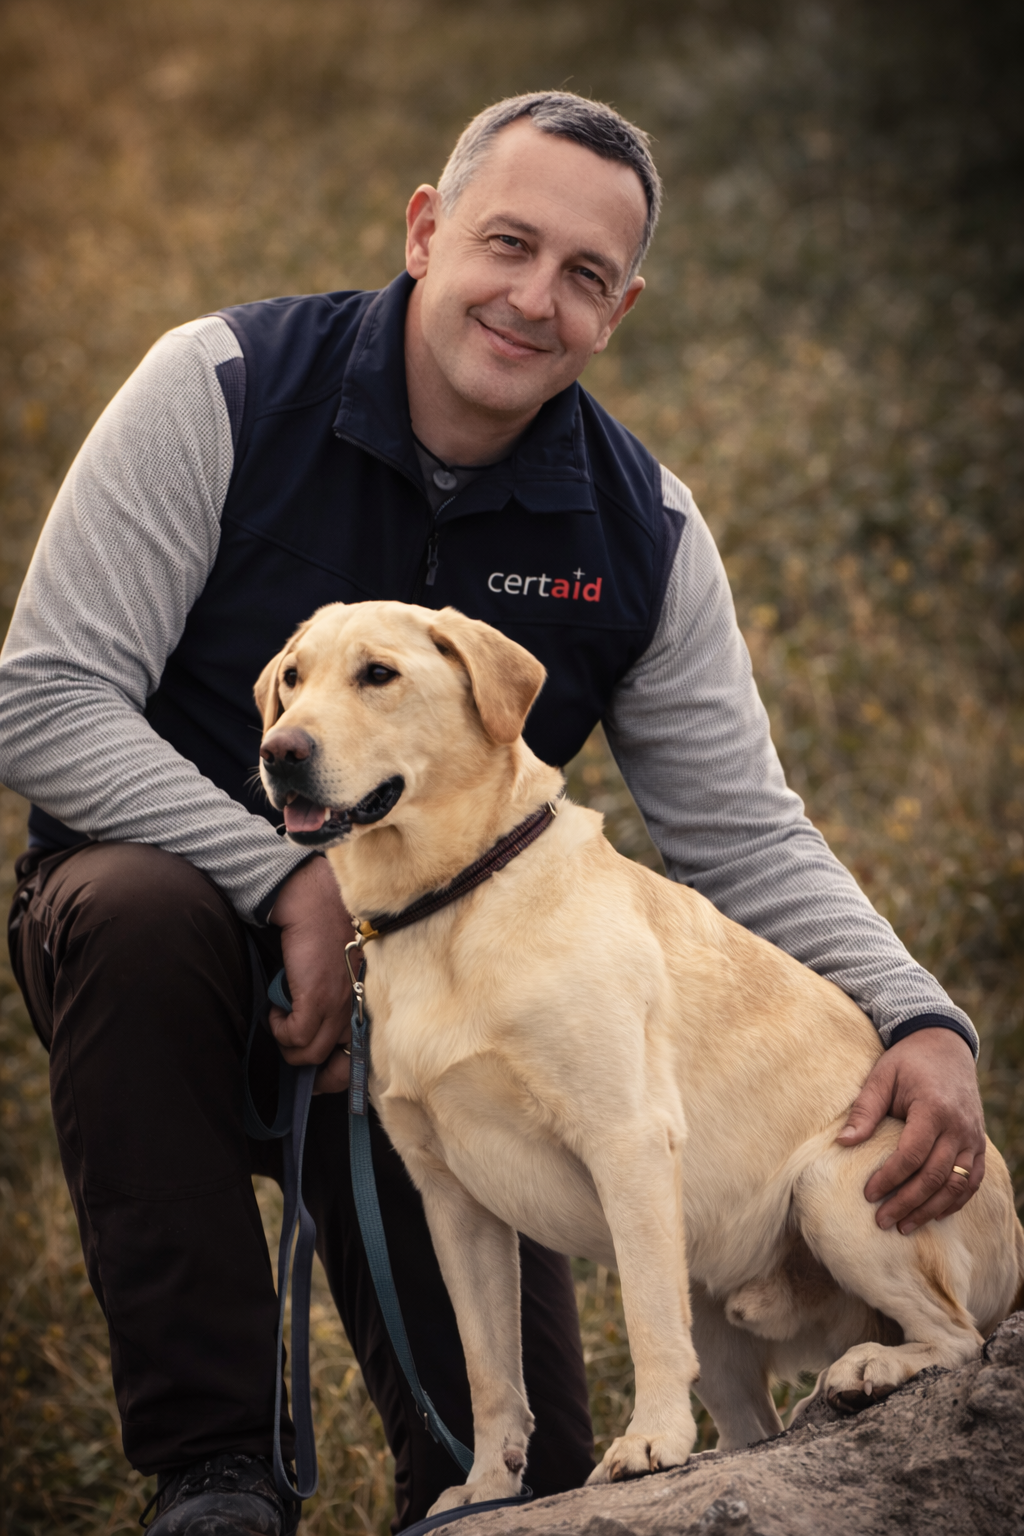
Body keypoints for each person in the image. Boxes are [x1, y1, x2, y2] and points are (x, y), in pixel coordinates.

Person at [0, 92, 986, 1536]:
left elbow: (740, 833)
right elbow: (44, 697)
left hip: (456, 1001)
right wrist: (286, 881)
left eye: (585, 275)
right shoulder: (218, 386)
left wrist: (917, 1014)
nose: (534, 298)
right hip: (174, 957)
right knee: (131, 910)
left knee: (525, 1475)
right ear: (425, 230)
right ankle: (215, 1473)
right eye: (507, 244)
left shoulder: (642, 527)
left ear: (620, 312)